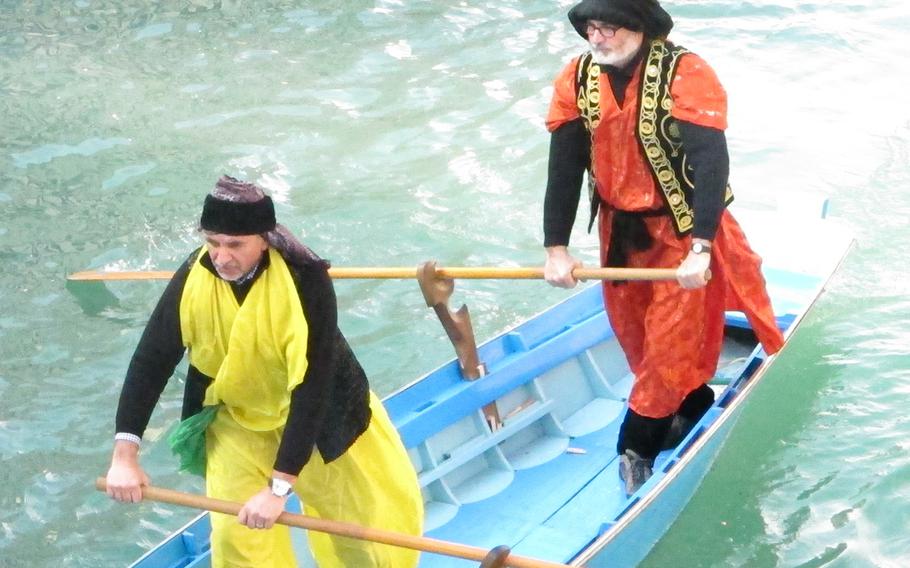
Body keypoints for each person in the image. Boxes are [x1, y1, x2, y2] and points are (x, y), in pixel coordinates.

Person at [105, 176, 423, 567]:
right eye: (213, 242)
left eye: (235, 245)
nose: (221, 257)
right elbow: (151, 359)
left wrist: (279, 487)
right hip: (237, 419)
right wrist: (125, 455)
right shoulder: (195, 273)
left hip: (321, 418)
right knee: (236, 542)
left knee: (361, 537)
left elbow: (312, 387)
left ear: (265, 239)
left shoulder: (307, 281)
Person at [542, 0, 786, 496]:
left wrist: (702, 245)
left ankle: (637, 448)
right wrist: (556, 248)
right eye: (591, 28)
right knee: (634, 337)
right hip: (619, 235)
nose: (598, 37)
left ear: (638, 28)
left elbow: (711, 164)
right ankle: (691, 403)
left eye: (608, 27)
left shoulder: (686, 73)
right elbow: (564, 168)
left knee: (668, 343)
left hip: (683, 234)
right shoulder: (576, 77)